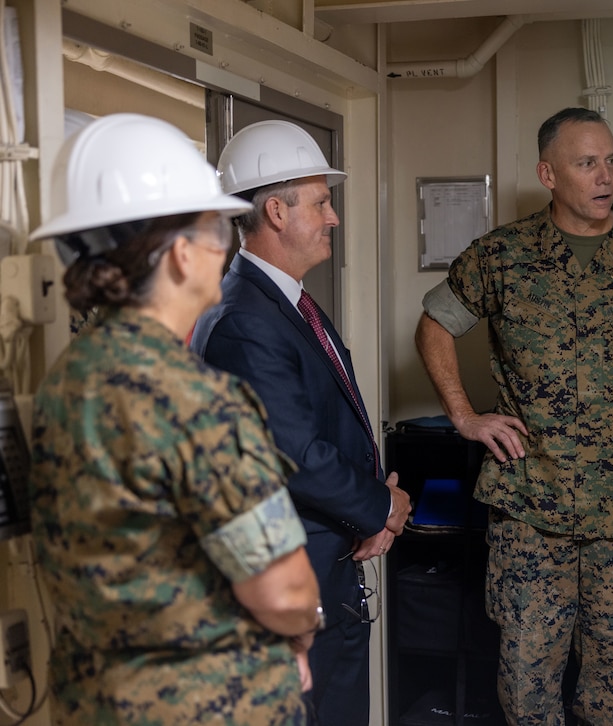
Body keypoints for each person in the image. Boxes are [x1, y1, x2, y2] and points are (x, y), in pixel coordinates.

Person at [28, 113, 323, 724]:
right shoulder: (194, 400)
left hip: (93, 701)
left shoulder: (64, 381)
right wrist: (301, 629)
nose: (226, 245)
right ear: (182, 255)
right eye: (217, 227)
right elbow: (285, 590)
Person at [415, 106, 613, 725]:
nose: (605, 176)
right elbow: (435, 325)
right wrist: (464, 415)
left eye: (611, 160)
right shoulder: (502, 255)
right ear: (548, 174)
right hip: (529, 506)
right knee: (527, 681)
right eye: (586, 163)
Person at [189, 119, 411, 726]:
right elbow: (295, 454)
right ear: (278, 212)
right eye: (322, 202)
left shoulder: (284, 304)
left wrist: (370, 509)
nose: (333, 216)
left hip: (324, 569)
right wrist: (380, 507)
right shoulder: (244, 320)